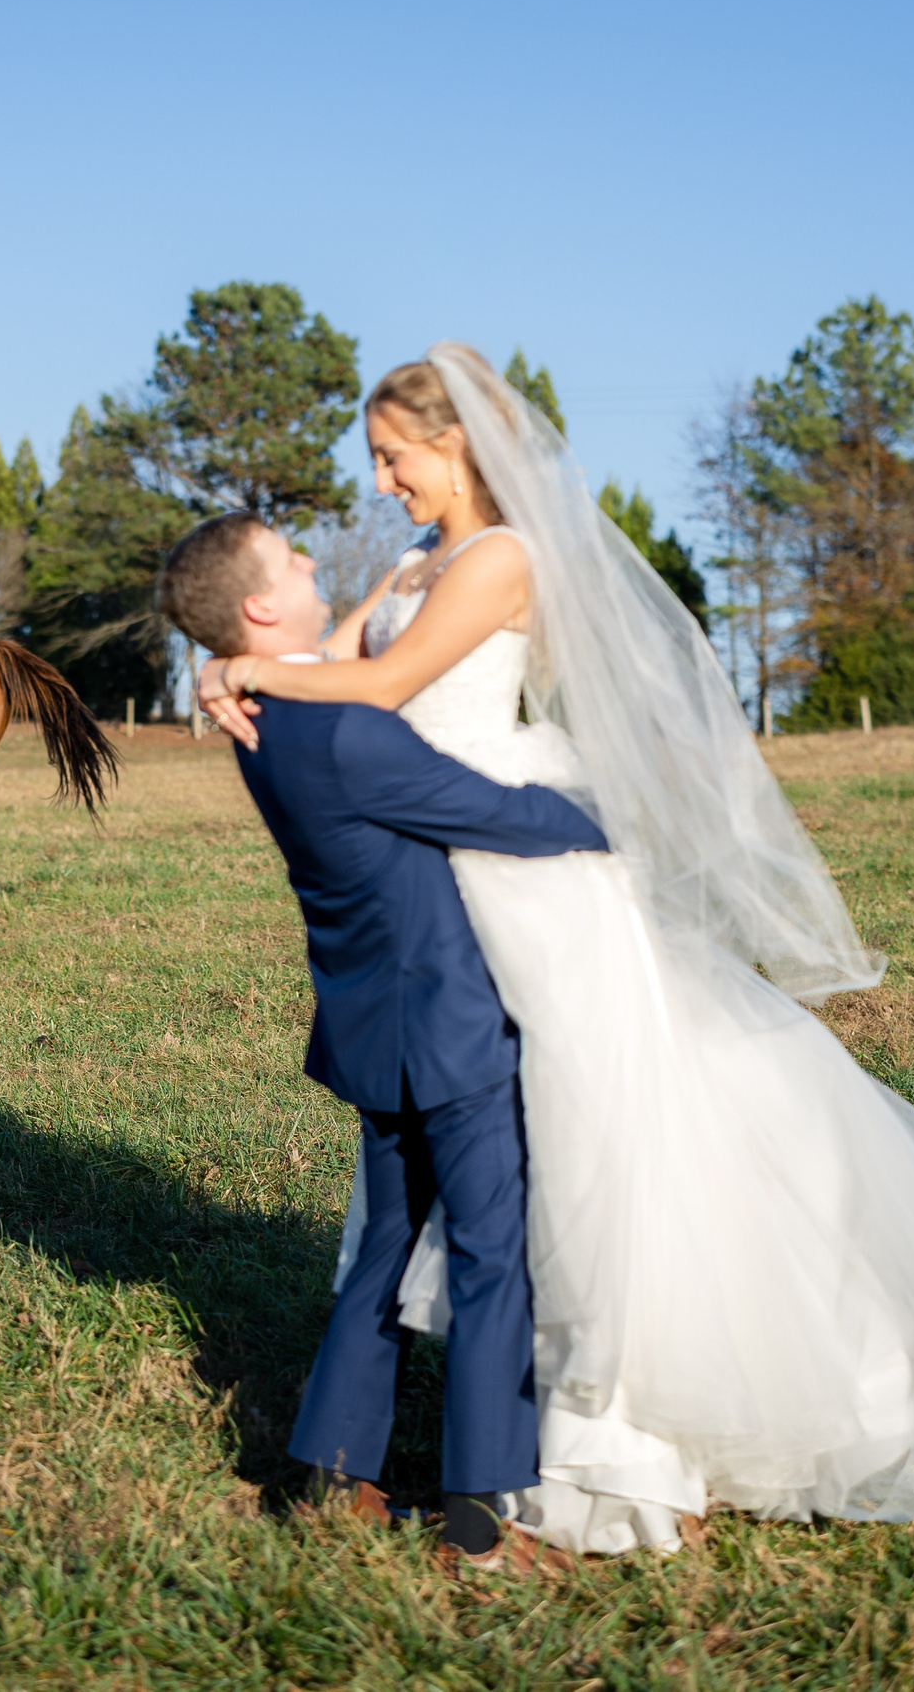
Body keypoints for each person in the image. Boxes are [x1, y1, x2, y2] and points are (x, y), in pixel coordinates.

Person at [196, 344, 914, 1555]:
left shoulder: (499, 560)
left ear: (459, 448)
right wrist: (245, 670)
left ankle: (600, 1450)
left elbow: (384, 691)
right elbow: (346, 672)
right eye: (372, 460)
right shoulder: (416, 558)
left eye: (392, 457)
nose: (379, 482)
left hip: (521, 866)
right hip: (447, 871)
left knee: (589, 1145)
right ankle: (462, 1454)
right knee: (492, 1173)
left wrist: (236, 663)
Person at [155, 511, 607, 1574]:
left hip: (367, 1021)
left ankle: (327, 1476)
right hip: (445, 1021)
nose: (316, 562)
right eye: (292, 559)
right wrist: (617, 817)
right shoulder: (347, 730)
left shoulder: (262, 705)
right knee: (495, 1259)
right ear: (263, 605)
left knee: (385, 1251)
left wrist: (223, 663)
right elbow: (502, 817)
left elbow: (343, 651)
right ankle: (479, 1529)